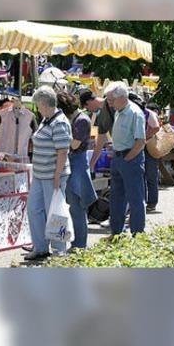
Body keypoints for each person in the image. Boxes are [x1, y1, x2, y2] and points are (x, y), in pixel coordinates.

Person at [25, 86, 72, 261]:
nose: (37, 108)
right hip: (40, 174)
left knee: (56, 213)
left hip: (53, 175)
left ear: (44, 104)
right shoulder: (47, 119)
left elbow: (63, 151)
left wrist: (58, 176)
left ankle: (60, 250)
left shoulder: (59, 122)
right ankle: (40, 247)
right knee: (34, 209)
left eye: (37, 105)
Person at [104, 81, 147, 240]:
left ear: (121, 98)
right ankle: (116, 232)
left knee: (135, 197)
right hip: (118, 156)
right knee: (116, 197)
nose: (109, 104)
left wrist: (127, 158)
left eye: (111, 100)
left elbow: (140, 142)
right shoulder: (118, 111)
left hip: (130, 157)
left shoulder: (135, 113)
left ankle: (137, 234)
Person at [56, 92, 97, 250]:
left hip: (77, 164)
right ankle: (73, 241)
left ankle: (80, 244)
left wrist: (59, 133)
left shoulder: (81, 120)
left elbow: (74, 145)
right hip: (70, 162)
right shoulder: (74, 119)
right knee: (70, 205)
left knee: (77, 206)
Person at [79, 89, 115, 172]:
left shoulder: (112, 104)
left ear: (89, 102)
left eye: (87, 108)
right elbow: (100, 143)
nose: (89, 111)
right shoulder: (102, 115)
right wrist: (91, 165)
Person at [144, 103, 161, 213]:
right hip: (151, 149)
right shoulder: (152, 118)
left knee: (150, 177)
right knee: (150, 177)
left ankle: (151, 202)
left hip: (150, 149)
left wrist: (144, 137)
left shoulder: (149, 117)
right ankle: (150, 202)